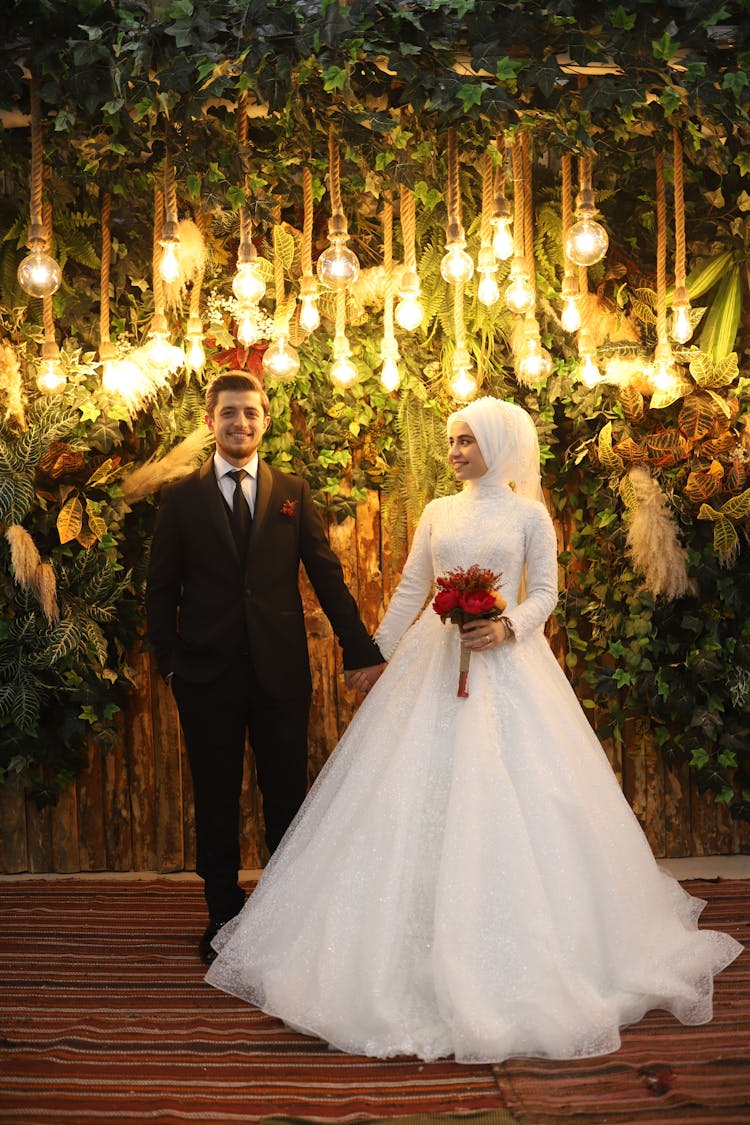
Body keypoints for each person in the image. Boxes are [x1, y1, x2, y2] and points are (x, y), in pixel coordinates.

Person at [205, 395, 742, 1063]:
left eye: (465, 440)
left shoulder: (528, 513)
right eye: (452, 441)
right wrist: (374, 654)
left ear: (496, 441)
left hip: (507, 664)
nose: (454, 451)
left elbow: (545, 591)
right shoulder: (437, 511)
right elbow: (411, 589)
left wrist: (508, 624)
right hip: (433, 665)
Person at [145, 370, 384, 965]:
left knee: (286, 798)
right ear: (210, 421)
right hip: (206, 678)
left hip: (281, 676)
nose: (240, 423)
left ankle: (285, 918)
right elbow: (159, 589)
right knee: (217, 798)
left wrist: (361, 650)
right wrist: (170, 662)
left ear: (265, 420)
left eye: (250, 413)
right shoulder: (181, 498)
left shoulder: (292, 492)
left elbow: (327, 577)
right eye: (229, 413)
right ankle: (223, 919)